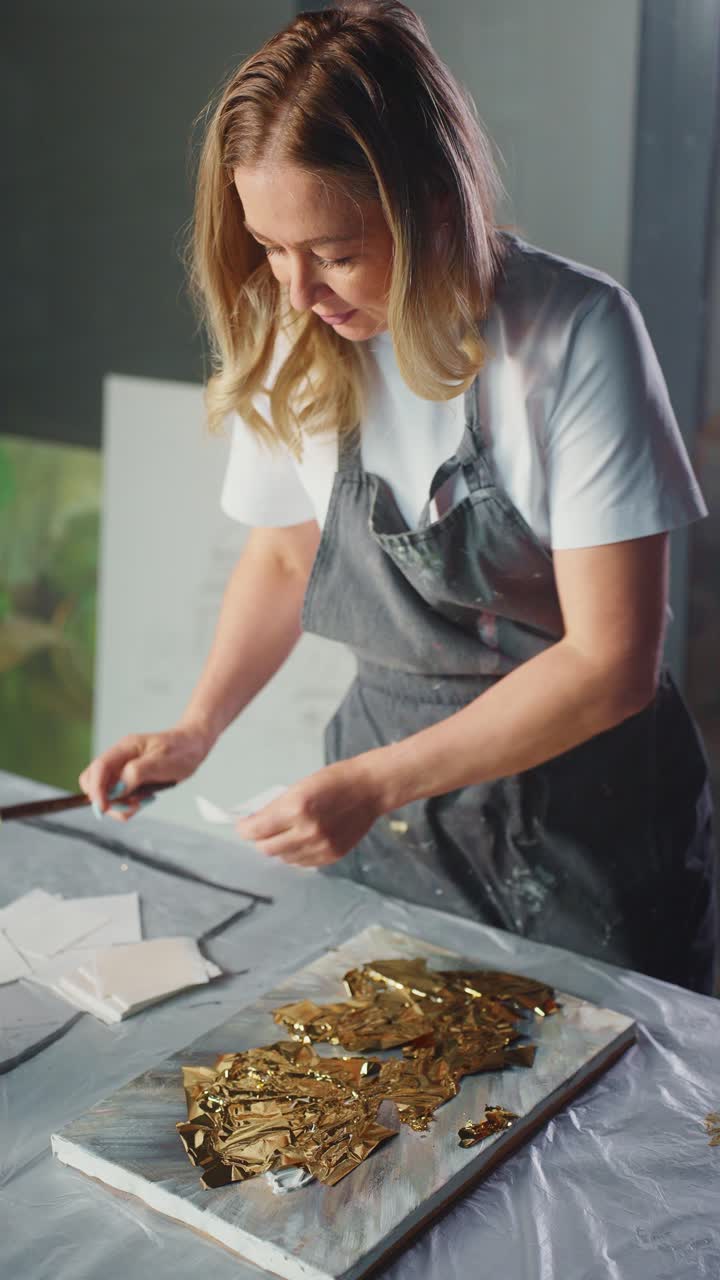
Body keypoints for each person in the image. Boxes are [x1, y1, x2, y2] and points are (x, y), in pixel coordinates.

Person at [80, 0, 716, 993]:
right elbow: (287, 558)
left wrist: (375, 783)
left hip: (584, 811)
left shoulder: (574, 333)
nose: (297, 292)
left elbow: (611, 662)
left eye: (333, 251)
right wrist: (199, 725)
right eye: (270, 247)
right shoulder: (292, 327)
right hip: (390, 816)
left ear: (429, 201)